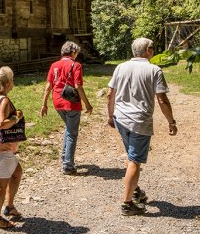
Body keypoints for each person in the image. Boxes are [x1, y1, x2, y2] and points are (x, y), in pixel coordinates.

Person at [107, 37, 177, 216]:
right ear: (148, 50)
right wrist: (171, 122)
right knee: (135, 161)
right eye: (152, 48)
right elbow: (162, 99)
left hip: (121, 118)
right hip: (139, 121)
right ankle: (127, 204)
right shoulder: (154, 70)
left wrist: (110, 116)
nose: (153, 51)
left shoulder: (120, 67)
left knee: (131, 156)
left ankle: (135, 190)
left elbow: (110, 94)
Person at [40, 41, 93, 174]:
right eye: (77, 53)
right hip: (71, 103)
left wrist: (44, 104)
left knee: (69, 130)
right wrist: (87, 104)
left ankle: (65, 158)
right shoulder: (76, 65)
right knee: (72, 134)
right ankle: (68, 166)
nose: (77, 55)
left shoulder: (54, 65)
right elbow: (78, 86)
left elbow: (48, 87)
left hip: (57, 102)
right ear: (73, 52)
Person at [0, 66, 24, 230]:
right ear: (8, 83)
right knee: (1, 185)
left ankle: (9, 206)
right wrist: (16, 117)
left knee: (17, 172)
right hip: (1, 146)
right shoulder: (4, 100)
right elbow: (1, 124)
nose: (13, 82)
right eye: (12, 79)